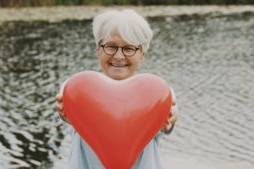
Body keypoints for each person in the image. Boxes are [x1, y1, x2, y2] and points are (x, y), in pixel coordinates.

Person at [55, 9, 178, 169]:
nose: (119, 56)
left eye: (129, 48)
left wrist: (171, 119)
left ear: (142, 54)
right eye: (111, 47)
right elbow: (66, 105)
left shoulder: (159, 93)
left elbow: (171, 116)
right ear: (98, 50)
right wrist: (63, 113)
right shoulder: (77, 88)